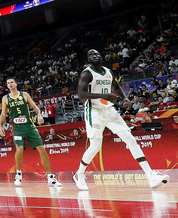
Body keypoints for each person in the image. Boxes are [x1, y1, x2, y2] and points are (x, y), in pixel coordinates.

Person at [73, 49, 170, 190]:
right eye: (92, 55)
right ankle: (79, 174)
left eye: (97, 54)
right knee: (95, 146)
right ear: (88, 59)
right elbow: (81, 93)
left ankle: (151, 176)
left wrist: (125, 99)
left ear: (101, 56)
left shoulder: (107, 71)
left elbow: (116, 87)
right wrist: (103, 95)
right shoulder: (87, 73)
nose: (95, 56)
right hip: (94, 112)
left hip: (109, 110)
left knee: (130, 139)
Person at [0, 78, 62, 187]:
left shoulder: (24, 95)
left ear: (16, 84)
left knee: (41, 148)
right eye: (8, 83)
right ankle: (18, 174)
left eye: (12, 82)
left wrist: (39, 114)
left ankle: (50, 177)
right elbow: (3, 114)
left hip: (29, 126)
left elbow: (34, 106)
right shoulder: (5, 98)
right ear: (7, 86)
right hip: (17, 127)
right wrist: (0, 125)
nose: (10, 84)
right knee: (19, 149)